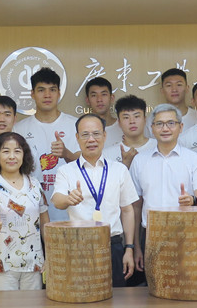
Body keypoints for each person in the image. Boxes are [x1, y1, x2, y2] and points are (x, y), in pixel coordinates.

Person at [52, 114, 138, 286]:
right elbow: (57, 200)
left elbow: (127, 210)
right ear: (77, 138)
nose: (91, 139)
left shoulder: (119, 170)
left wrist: (129, 248)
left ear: (104, 136)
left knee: (116, 297)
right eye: (85, 135)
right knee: (82, 297)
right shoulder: (66, 171)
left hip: (112, 244)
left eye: (96, 134)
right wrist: (68, 199)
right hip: (79, 246)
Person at [129, 104, 197, 271]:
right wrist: (136, 246)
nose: (165, 129)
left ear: (181, 127)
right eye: (159, 124)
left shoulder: (195, 159)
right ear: (152, 128)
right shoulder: (139, 161)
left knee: (185, 282)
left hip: (186, 235)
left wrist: (192, 200)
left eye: (171, 123)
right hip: (150, 235)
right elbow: (135, 207)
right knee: (154, 283)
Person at [0, 132, 49, 290]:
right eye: (6, 151)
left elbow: (45, 223)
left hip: (34, 265)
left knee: (33, 307)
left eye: (17, 151)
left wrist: (49, 255)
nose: (12, 156)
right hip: (2, 266)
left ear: (24, 155)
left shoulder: (35, 184)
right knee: (3, 307)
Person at [13, 68, 79, 222]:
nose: (47, 95)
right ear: (32, 94)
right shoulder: (19, 129)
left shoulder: (75, 125)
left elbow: (88, 164)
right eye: (41, 90)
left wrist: (67, 154)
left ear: (59, 93)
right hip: (32, 214)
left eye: (52, 90)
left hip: (71, 212)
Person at [103, 95, 156, 168]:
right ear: (119, 122)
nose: (132, 121)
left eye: (136, 116)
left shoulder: (159, 147)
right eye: (126, 117)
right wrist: (125, 165)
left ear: (145, 119)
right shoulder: (107, 154)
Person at [145, 68, 196, 137]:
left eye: (179, 85)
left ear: (187, 88)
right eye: (169, 85)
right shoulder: (152, 120)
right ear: (162, 90)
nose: (174, 90)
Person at [84, 77, 123, 147]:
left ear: (112, 98)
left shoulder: (124, 127)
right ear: (87, 100)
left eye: (104, 94)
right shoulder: (82, 129)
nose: (99, 99)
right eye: (94, 95)